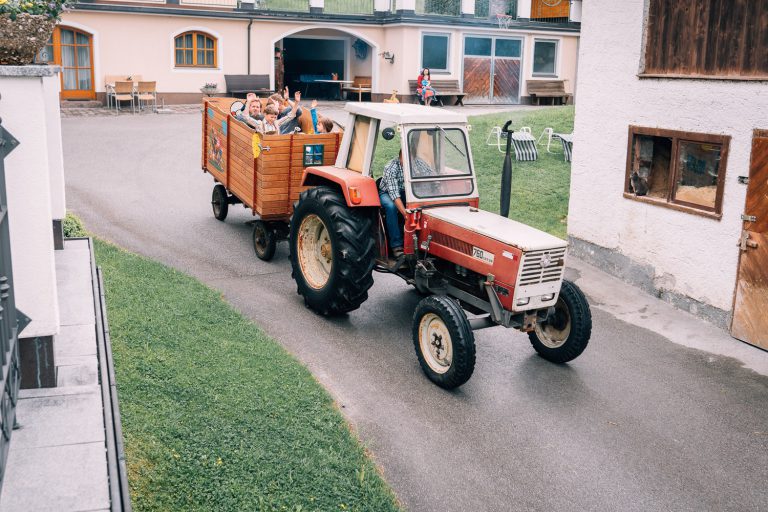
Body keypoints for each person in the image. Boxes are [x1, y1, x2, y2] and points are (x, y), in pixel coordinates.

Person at [378, 149, 434, 258]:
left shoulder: (418, 163)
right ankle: (396, 245)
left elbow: (431, 176)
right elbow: (394, 194)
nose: (411, 163)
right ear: (401, 157)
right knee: (391, 207)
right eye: (407, 159)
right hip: (387, 193)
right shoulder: (391, 168)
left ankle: (420, 242)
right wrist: (405, 214)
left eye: (412, 159)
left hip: (407, 192)